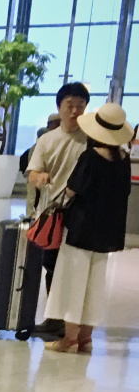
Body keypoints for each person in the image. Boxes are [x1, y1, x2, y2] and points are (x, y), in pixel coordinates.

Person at [43, 102, 133, 355]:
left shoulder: (90, 157)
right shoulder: (123, 160)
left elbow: (72, 190)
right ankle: (86, 338)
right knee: (95, 284)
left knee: (73, 280)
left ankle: (69, 339)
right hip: (108, 232)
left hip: (81, 229)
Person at [26, 81, 90, 339]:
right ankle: (55, 319)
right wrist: (40, 177)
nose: (74, 111)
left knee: (76, 267)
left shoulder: (92, 140)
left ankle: (73, 321)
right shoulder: (47, 140)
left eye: (80, 106)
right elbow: (32, 173)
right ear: (59, 107)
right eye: (69, 105)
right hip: (53, 213)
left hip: (81, 213)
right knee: (51, 265)